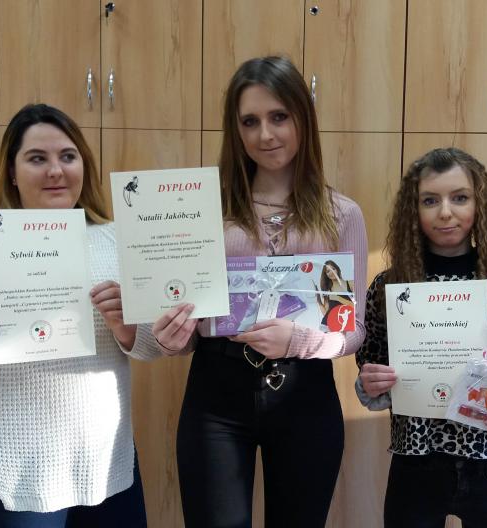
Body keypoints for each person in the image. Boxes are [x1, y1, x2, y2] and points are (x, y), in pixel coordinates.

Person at [0, 103, 175, 527]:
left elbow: (153, 346)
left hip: (105, 463)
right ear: (12, 173)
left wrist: (128, 327)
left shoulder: (117, 242)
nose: (56, 171)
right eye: (37, 158)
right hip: (14, 471)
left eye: (68, 156)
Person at [155, 56, 368, 528]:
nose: (265, 134)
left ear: (302, 119)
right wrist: (175, 337)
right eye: (249, 122)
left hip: (306, 393)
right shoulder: (203, 212)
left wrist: (300, 341)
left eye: (279, 117)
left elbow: (352, 329)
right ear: (235, 130)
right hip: (215, 393)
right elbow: (190, 319)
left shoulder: (341, 215)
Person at [355, 147, 487, 528]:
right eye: (430, 200)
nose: (445, 212)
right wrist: (372, 383)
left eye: (460, 198)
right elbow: (371, 357)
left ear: (479, 204)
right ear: (412, 210)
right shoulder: (390, 287)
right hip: (416, 461)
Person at [314, 259, 355, 330]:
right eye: (328, 271)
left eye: (333, 269)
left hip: (345, 325)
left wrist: (337, 298)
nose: (331, 272)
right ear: (326, 275)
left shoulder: (351, 284)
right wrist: (319, 301)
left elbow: (355, 307)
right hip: (327, 325)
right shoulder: (328, 290)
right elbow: (326, 313)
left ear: (337, 269)